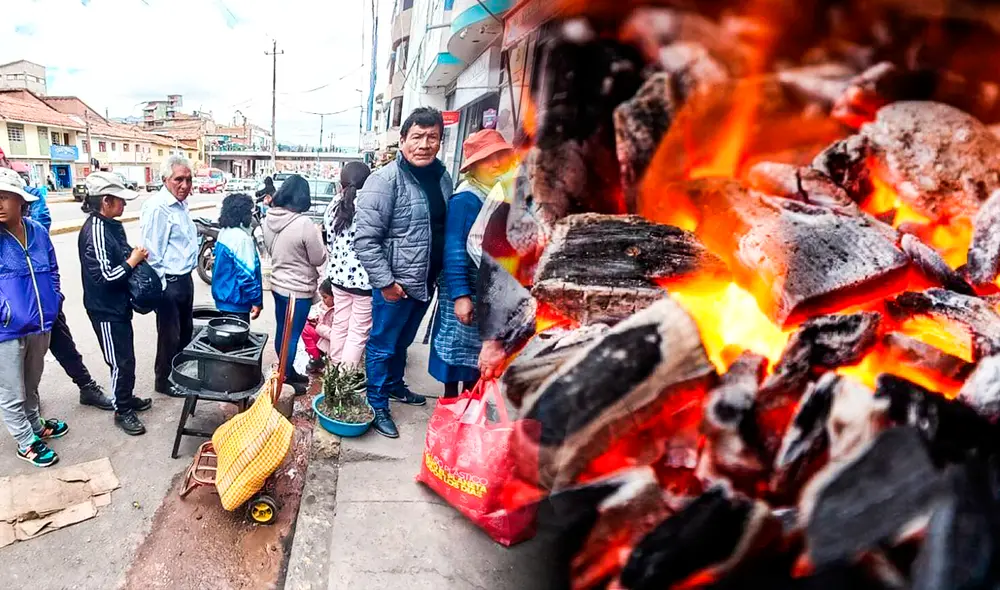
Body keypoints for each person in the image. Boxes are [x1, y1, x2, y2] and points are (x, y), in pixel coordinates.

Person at [355, 107, 453, 438]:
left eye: (432, 137)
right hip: (395, 286)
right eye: (417, 137)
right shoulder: (383, 181)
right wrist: (385, 283)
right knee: (383, 344)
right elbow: (365, 241)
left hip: (425, 281)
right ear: (402, 140)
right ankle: (376, 402)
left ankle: (395, 385)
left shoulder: (442, 177)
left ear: (440, 141)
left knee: (403, 342)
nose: (425, 144)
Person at [0, 158, 114, 411]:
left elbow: (50, 261)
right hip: (12, 316)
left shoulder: (31, 218)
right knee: (15, 364)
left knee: (63, 343)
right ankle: (26, 407)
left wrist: (53, 296)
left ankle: (86, 386)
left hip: (43, 299)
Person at [429, 130, 515, 398]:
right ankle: (455, 403)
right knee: (457, 349)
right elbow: (454, 248)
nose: (496, 163)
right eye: (488, 158)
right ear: (474, 166)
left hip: (484, 284)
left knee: (475, 351)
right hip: (465, 281)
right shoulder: (467, 198)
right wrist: (461, 295)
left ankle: (469, 402)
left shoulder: (495, 193)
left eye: (500, 156)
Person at [0, 168, 67, 467]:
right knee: (11, 390)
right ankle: (26, 441)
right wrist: (6, 314)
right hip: (7, 330)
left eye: (4, 197)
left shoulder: (37, 232)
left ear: (20, 201)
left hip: (41, 323)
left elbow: (52, 269)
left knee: (32, 382)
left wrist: (53, 300)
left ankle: (36, 425)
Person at [78, 172, 154, 436]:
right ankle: (122, 410)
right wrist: (132, 261)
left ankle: (126, 396)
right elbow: (104, 278)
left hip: (119, 306)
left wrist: (134, 256)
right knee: (119, 362)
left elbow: (120, 256)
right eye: (120, 200)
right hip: (105, 310)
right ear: (106, 201)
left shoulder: (112, 225)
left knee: (126, 358)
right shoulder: (96, 231)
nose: (124, 205)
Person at [140, 155, 198, 396]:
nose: (185, 185)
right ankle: (163, 380)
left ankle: (179, 374)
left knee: (185, 332)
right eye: (179, 179)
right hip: (169, 283)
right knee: (169, 336)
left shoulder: (180, 204)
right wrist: (163, 287)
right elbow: (150, 251)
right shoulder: (158, 207)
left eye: (188, 179)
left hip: (184, 279)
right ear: (165, 180)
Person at [262, 174, 327, 389]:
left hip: (278, 285)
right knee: (292, 336)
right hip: (297, 291)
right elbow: (318, 258)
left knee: (283, 330)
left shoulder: (269, 218)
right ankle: (286, 377)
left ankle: (286, 369)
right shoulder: (304, 224)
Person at [323, 161, 373, 368]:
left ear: (341, 183)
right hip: (364, 281)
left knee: (340, 325)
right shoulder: (371, 204)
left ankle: (334, 371)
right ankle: (344, 380)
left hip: (337, 277)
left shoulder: (334, 204)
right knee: (358, 332)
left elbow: (329, 240)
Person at [212, 193, 264, 324]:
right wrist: (256, 301)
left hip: (224, 299)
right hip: (236, 302)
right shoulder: (241, 239)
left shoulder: (224, 232)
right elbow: (246, 276)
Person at [301, 279, 336, 373]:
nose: (323, 300)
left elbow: (336, 335)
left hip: (333, 343)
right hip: (324, 337)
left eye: (325, 297)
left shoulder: (338, 311)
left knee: (306, 330)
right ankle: (315, 357)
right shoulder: (325, 305)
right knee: (305, 326)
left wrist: (318, 327)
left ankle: (317, 358)